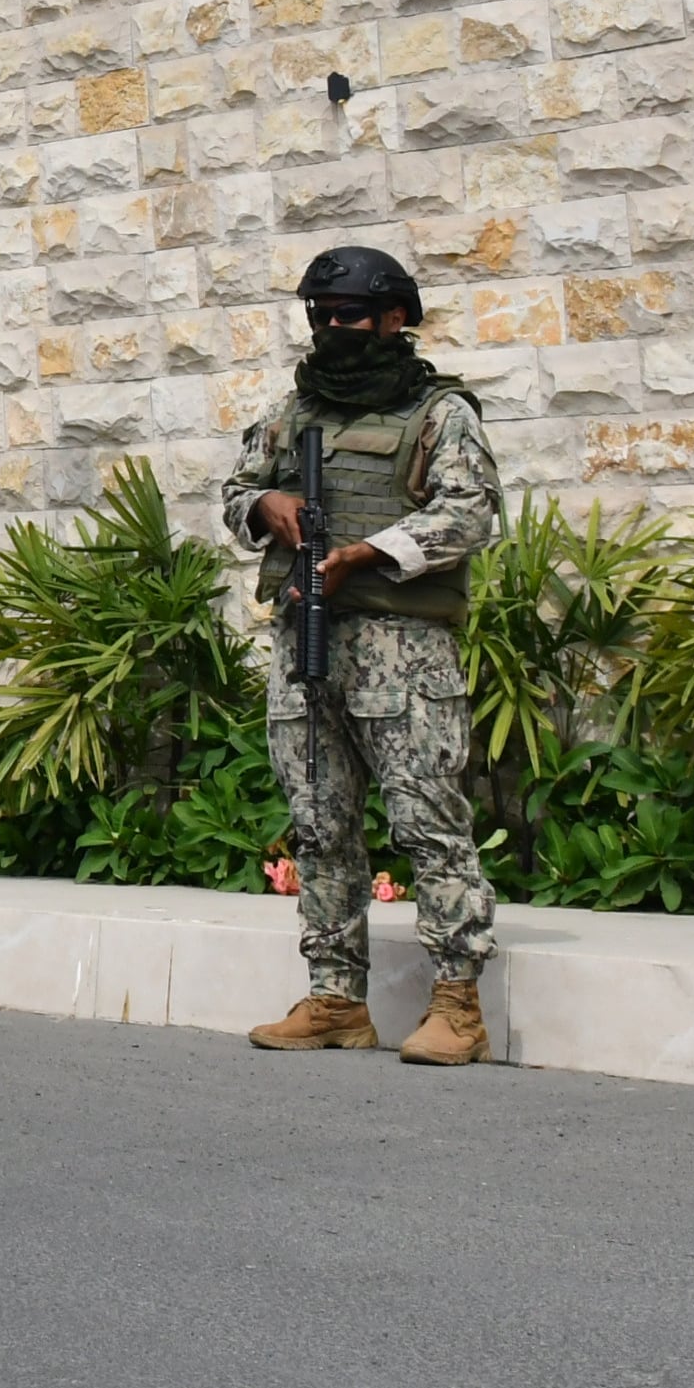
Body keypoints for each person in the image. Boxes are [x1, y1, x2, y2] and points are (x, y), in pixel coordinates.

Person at [220, 246, 502, 1067]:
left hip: (400, 651)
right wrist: (266, 504)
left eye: (347, 315)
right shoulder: (291, 411)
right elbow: (236, 491)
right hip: (305, 644)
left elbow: (468, 516)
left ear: (392, 320)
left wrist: (365, 553)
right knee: (317, 826)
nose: (332, 329)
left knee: (427, 825)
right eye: (320, 315)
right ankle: (336, 998)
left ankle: (457, 1004)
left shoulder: (439, 413)